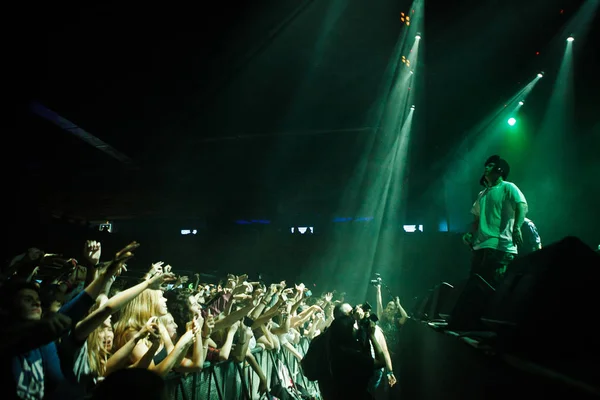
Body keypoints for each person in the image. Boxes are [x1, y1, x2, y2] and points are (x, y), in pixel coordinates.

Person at [462, 155, 528, 287]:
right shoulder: (482, 195)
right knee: (476, 287)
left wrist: (516, 228)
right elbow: (477, 219)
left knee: (495, 288)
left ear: (500, 169)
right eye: (486, 165)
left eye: (491, 165)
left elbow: (522, 206)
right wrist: (470, 234)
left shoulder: (508, 187)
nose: (486, 167)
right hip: (481, 247)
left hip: (501, 247)